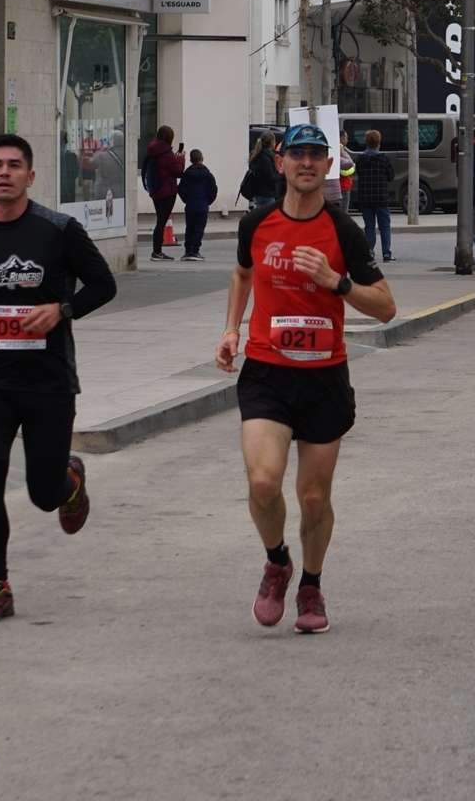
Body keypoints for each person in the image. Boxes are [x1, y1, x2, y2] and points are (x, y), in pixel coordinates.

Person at [218, 124, 396, 633]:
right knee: (262, 481)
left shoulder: (343, 231)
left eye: (317, 155)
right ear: (281, 163)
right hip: (267, 371)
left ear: (328, 166)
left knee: (314, 498)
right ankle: (277, 561)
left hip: (323, 377)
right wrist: (231, 329)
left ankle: (311, 586)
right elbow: (242, 273)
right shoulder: (256, 224)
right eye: (297, 154)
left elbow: (386, 307)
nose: (307, 162)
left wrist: (336, 282)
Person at [0, 134, 119, 624]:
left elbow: (104, 284)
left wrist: (61, 310)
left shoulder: (58, 230)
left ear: (31, 175)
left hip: (48, 383)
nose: (5, 172)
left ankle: (70, 479)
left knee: (43, 496)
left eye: (14, 165)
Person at [351, 128, 396, 262]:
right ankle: (386, 253)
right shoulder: (384, 158)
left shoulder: (360, 159)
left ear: (366, 142)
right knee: (384, 226)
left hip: (365, 197)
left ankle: (369, 252)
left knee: (369, 227)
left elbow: (358, 172)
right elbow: (391, 176)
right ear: (378, 143)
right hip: (381, 197)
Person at [141, 125, 185, 261]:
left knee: (160, 220)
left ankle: (157, 251)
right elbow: (178, 172)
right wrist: (181, 159)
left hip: (156, 190)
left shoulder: (152, 150)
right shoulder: (167, 154)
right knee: (161, 222)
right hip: (167, 191)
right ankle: (157, 252)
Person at [177, 149, 217, 261]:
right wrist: (207, 201)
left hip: (190, 205)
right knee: (199, 229)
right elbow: (213, 190)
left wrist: (186, 199)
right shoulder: (208, 175)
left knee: (189, 228)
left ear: (190, 160)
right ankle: (195, 251)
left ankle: (188, 250)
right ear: (202, 159)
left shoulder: (186, 175)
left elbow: (181, 189)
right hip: (202, 205)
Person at [241, 133, 283, 208]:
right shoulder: (265, 159)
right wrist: (281, 173)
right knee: (270, 213)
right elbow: (271, 179)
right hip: (266, 194)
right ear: (272, 142)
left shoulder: (259, 155)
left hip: (262, 193)